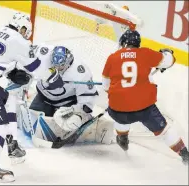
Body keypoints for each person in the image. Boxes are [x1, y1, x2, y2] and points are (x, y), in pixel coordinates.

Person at [0, 12, 61, 183]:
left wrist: (11, 72)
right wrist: (53, 77)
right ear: (23, 28)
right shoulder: (19, 40)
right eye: (26, 31)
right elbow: (36, 68)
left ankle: (12, 144)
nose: (26, 35)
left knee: (9, 99)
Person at [102, 29, 189, 164]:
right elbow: (170, 61)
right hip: (144, 109)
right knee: (164, 131)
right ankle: (185, 154)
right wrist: (166, 53)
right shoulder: (146, 53)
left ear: (124, 43)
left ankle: (122, 137)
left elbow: (106, 87)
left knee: (119, 111)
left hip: (117, 110)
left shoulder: (112, 57)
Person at [23, 44, 114, 145]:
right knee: (32, 122)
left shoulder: (81, 72)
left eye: (61, 66)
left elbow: (87, 102)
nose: (57, 68)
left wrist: (78, 113)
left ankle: (91, 126)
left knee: (70, 123)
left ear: (68, 62)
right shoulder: (42, 54)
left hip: (66, 102)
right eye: (54, 65)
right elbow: (22, 55)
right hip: (43, 97)